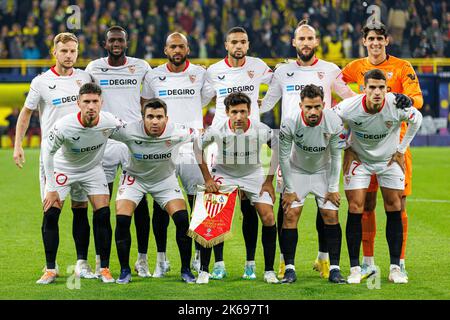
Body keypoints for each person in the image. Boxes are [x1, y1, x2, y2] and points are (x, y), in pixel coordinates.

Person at [260, 19, 355, 279]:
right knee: (287, 207)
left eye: (309, 39)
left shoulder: (330, 70)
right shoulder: (282, 71)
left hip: (322, 145)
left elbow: (349, 99)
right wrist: (236, 113)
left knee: (326, 208)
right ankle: (284, 262)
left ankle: (325, 259)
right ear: (294, 43)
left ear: (316, 42)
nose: (305, 43)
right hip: (290, 148)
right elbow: (268, 103)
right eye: (300, 39)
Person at [341, 22, 423, 278]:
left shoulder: (402, 67)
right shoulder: (355, 67)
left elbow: (417, 101)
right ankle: (367, 261)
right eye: (371, 39)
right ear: (364, 41)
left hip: (396, 147)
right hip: (364, 145)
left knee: (398, 204)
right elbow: (334, 85)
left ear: (387, 40)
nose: (375, 43)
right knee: (365, 203)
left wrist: (406, 100)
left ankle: (399, 261)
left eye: (380, 38)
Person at [13, 32, 95, 279]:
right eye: (64, 51)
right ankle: (51, 268)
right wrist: (18, 145)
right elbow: (26, 114)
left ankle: (82, 263)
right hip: (54, 158)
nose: (69, 56)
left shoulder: (85, 77)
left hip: (82, 156)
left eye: (73, 51)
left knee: (81, 209)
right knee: (51, 209)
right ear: (54, 52)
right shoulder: (41, 82)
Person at [201, 26, 274, 280]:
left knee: (249, 207)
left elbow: (276, 84)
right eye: (234, 42)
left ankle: (251, 263)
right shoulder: (213, 71)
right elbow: (202, 98)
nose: (238, 46)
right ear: (226, 44)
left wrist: (266, 105)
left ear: (248, 44)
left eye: (243, 41)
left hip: (251, 140)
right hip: (221, 141)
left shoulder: (258, 66)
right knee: (218, 207)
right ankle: (217, 263)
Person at [38, 82, 125, 284]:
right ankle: (50, 269)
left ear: (101, 102)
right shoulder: (64, 125)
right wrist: (50, 188)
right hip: (63, 169)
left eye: (95, 101)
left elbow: (129, 134)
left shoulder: (110, 121)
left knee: (102, 214)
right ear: (78, 103)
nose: (91, 106)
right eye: (86, 101)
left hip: (92, 170)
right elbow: (47, 153)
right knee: (51, 213)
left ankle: (103, 268)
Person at [85, 26, 153, 278]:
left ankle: (142, 260)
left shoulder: (141, 66)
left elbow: (146, 101)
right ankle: (101, 261)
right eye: (112, 40)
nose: (116, 44)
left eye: (120, 40)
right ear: (105, 43)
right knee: (100, 205)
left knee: (140, 201)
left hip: (133, 143)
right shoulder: (93, 68)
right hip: (104, 142)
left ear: (127, 42)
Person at [194, 92, 279, 285]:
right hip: (225, 173)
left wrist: (268, 181)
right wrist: (208, 179)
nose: (239, 116)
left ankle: (268, 271)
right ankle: (205, 270)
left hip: (253, 174)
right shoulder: (217, 129)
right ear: (227, 112)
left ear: (249, 112)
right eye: (234, 112)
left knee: (268, 216)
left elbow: (277, 147)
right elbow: (197, 148)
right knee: (211, 216)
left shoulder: (261, 128)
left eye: (242, 111)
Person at [141, 32, 207, 276]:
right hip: (162, 148)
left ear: (187, 49)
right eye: (172, 47)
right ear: (165, 49)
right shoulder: (153, 75)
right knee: (160, 204)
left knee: (196, 203)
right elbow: (147, 105)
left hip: (191, 146)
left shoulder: (200, 73)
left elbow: (208, 98)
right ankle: (161, 259)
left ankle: (199, 256)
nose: (177, 50)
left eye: (181, 46)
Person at [111, 98, 196, 284]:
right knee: (122, 218)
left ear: (167, 118)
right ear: (142, 119)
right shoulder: (128, 130)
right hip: (135, 179)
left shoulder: (179, 131)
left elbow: (205, 137)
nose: (155, 121)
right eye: (150, 117)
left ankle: (186, 270)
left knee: (182, 220)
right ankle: (125, 271)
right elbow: (99, 132)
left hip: (164, 180)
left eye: (159, 117)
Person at [278, 84, 346, 284]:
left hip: (323, 171)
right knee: (290, 215)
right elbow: (283, 156)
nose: (313, 111)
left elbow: (336, 157)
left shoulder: (333, 121)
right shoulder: (289, 121)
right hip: (296, 170)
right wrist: (289, 190)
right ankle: (289, 268)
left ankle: (334, 268)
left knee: (331, 215)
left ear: (324, 104)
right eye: (308, 107)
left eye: (317, 106)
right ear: (301, 105)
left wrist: (333, 188)